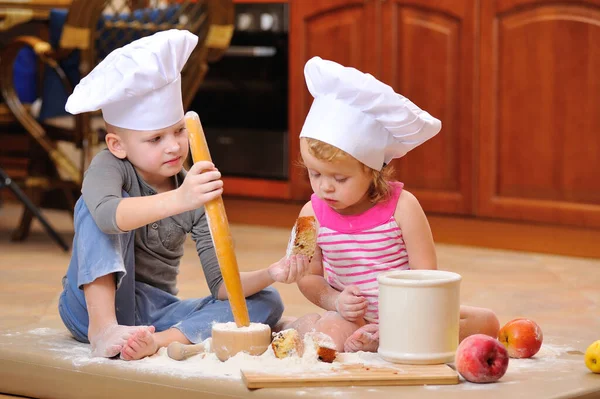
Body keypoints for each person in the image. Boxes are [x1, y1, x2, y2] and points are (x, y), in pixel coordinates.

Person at [57, 30, 309, 361]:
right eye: (156, 138)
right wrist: (181, 199)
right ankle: (104, 329)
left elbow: (221, 285)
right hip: (89, 307)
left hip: (152, 314)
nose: (174, 146)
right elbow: (106, 216)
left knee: (268, 301)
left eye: (178, 131)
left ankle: (158, 341)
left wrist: (271, 272)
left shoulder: (193, 189)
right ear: (117, 145)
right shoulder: (110, 167)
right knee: (91, 208)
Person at [286, 57, 500, 353]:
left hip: (409, 315)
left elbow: (427, 277)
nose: (325, 186)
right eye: (315, 173)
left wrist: (403, 319)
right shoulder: (309, 215)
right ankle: (338, 332)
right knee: (332, 333)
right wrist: (335, 301)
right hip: (351, 318)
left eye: (340, 177)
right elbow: (308, 277)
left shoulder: (404, 207)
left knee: (486, 322)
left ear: (372, 170)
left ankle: (385, 339)